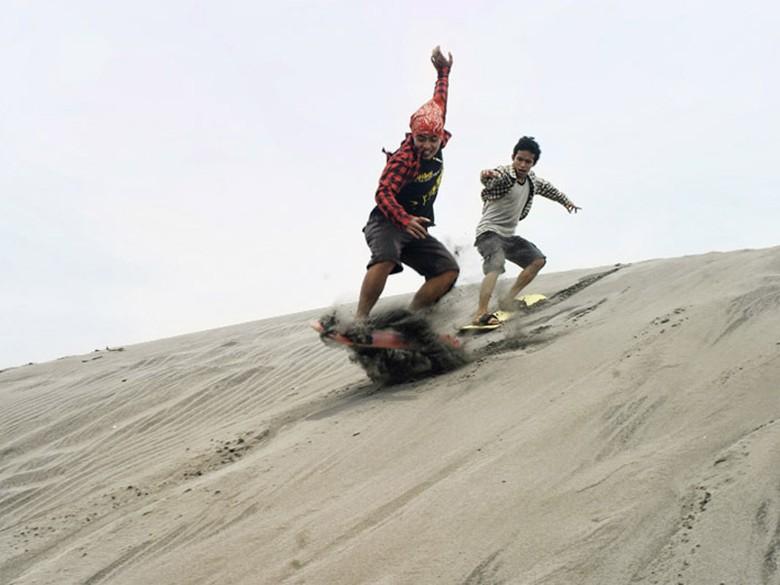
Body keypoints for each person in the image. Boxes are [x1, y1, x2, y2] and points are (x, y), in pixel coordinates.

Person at [355, 46, 459, 321]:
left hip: (414, 228)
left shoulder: (438, 133)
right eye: (420, 139)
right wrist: (403, 219)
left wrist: (443, 72)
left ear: (441, 137)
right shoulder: (404, 160)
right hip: (388, 222)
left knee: (447, 270)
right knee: (386, 258)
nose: (425, 146)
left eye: (431, 140)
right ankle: (359, 320)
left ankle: (410, 321)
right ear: (412, 135)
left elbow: (440, 101)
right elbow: (383, 193)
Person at [472, 136, 581, 325]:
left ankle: (507, 300)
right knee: (496, 265)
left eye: (527, 161)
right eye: (519, 159)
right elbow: (490, 179)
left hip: (508, 236)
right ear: (513, 157)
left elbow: (550, 190)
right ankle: (481, 313)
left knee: (537, 260)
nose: (522, 165)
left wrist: (566, 202)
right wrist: (486, 176)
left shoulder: (532, 181)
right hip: (488, 232)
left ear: (533, 163)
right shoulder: (505, 174)